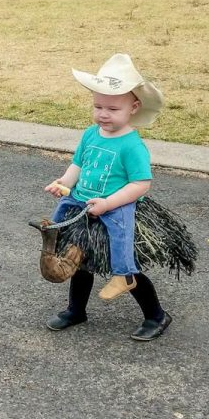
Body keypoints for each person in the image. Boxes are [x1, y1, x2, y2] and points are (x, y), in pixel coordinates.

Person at [43, 54, 171, 340]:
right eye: (98, 106)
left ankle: (154, 313)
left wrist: (109, 204)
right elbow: (78, 164)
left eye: (113, 108)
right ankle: (76, 309)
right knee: (79, 258)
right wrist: (63, 182)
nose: (103, 113)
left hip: (116, 208)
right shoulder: (91, 134)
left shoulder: (132, 145)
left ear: (134, 107)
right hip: (82, 203)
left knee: (121, 251)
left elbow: (141, 184)